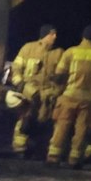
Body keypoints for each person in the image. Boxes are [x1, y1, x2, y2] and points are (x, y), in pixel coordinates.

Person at [48, 24, 91, 167]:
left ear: (83, 36)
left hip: (69, 96)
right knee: (82, 129)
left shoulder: (71, 52)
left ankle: (53, 157)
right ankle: (75, 159)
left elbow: (59, 75)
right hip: (89, 100)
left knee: (62, 126)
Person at [6, 24, 59, 156]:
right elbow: (16, 68)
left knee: (43, 121)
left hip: (46, 94)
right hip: (29, 92)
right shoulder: (28, 49)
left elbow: (60, 78)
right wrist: (21, 84)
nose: (55, 37)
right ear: (45, 35)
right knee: (25, 120)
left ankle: (37, 150)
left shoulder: (58, 53)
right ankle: (19, 149)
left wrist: (54, 92)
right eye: (52, 34)